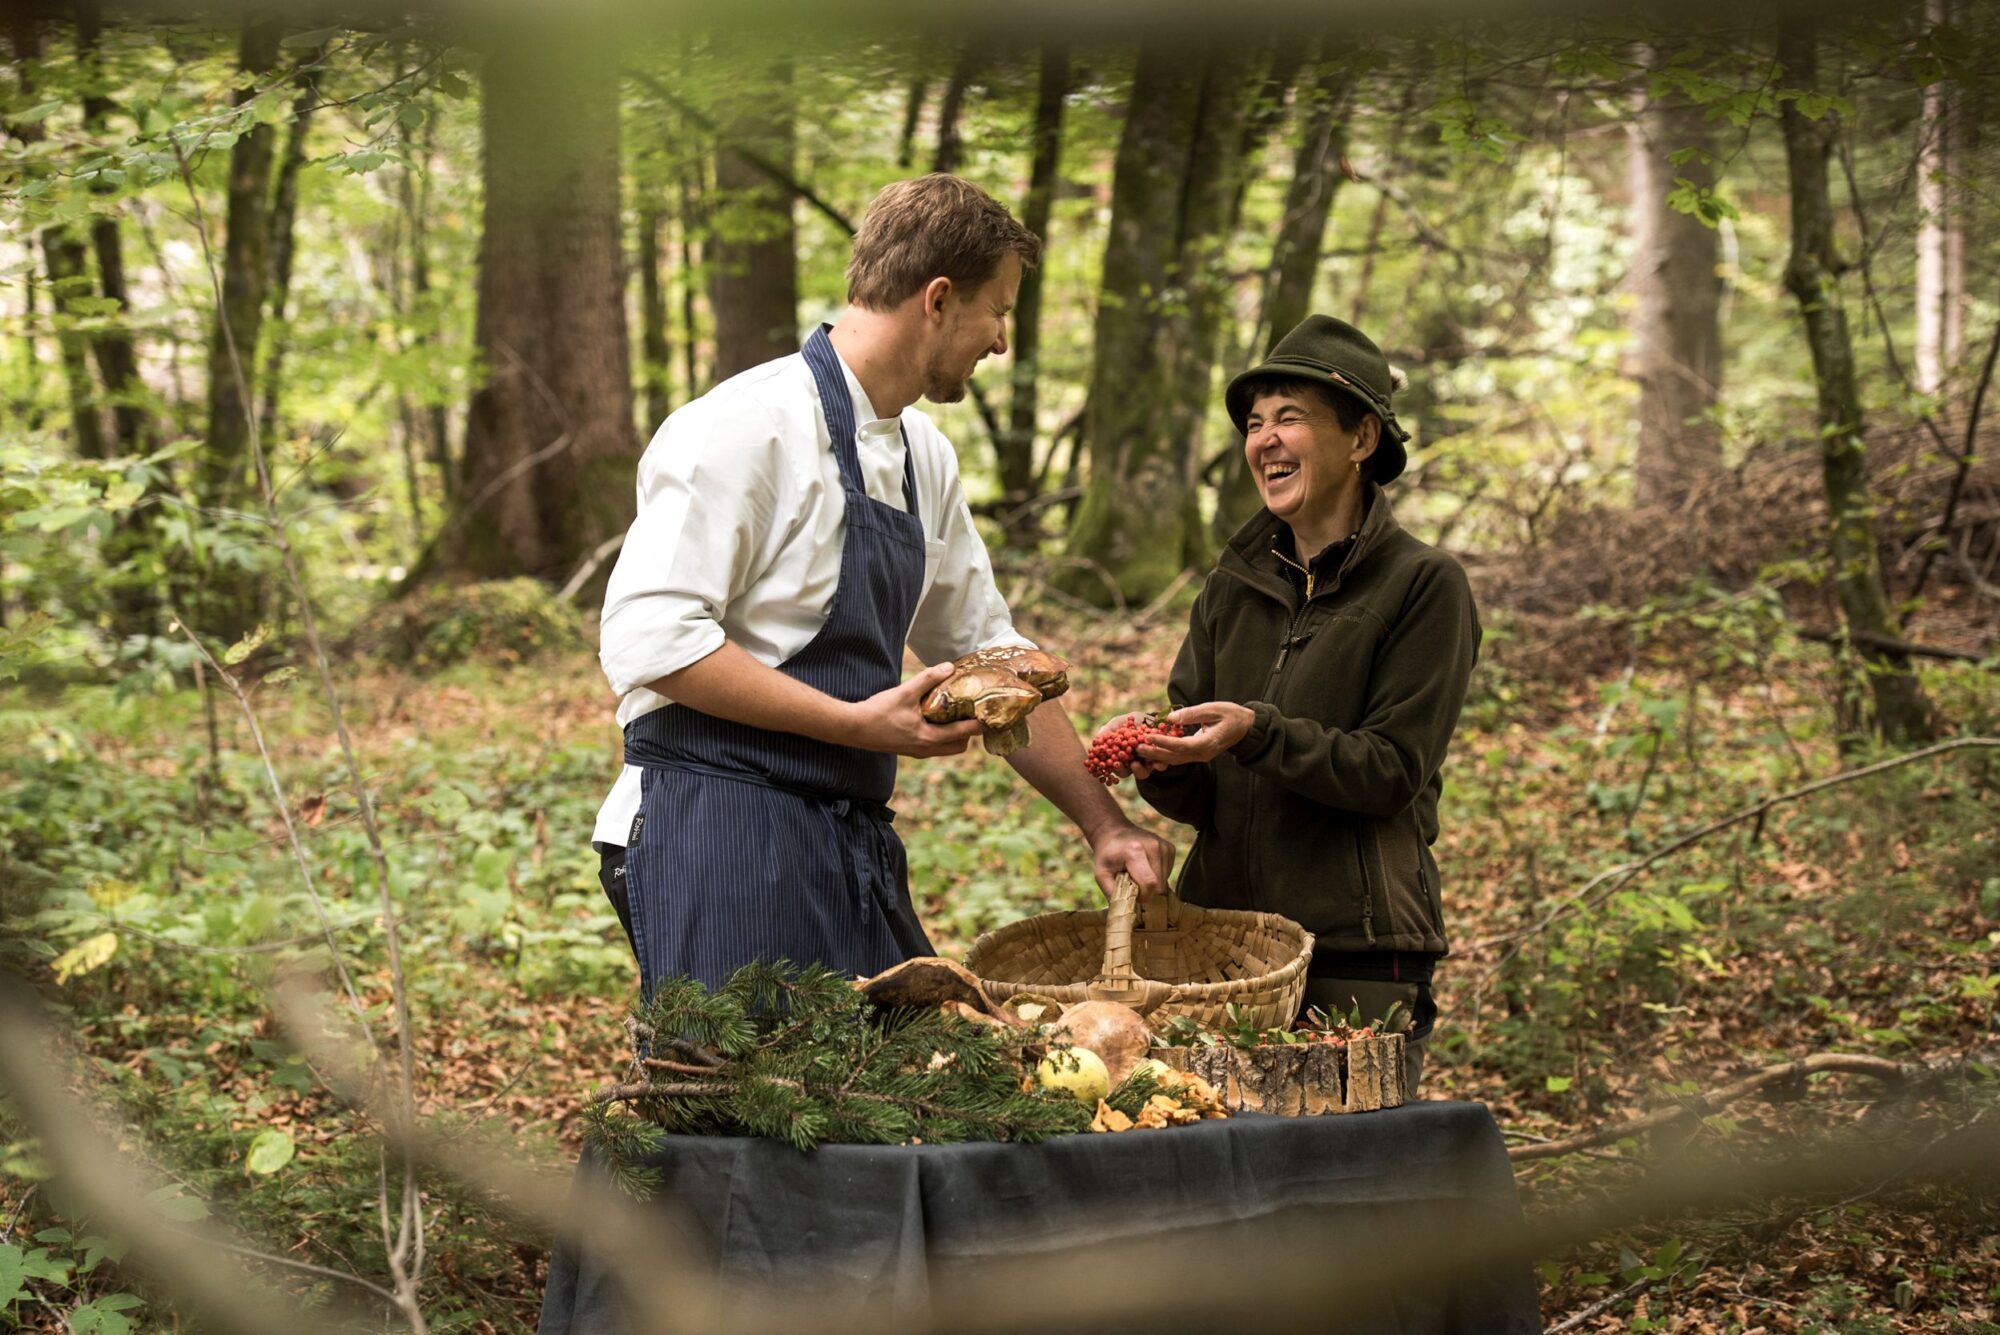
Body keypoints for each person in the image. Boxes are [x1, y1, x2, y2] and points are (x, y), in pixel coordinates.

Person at [591, 173, 1172, 996]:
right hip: (712, 827)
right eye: (998, 310)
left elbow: (986, 651)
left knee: (901, 1094)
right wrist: (854, 723)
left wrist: (1103, 822)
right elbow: (651, 640)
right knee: (737, 1113)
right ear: (938, 299)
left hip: (845, 840)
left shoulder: (922, 456)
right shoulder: (741, 427)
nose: (1002, 340)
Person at [1111, 315, 1481, 1093]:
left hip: (1357, 951)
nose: (1265, 439)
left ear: (1361, 438)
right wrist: (1162, 760)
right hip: (1225, 956)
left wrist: (1257, 731)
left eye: (1290, 417)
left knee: (1348, 1191)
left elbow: (1391, 769)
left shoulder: (1423, 585)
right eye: (1254, 422)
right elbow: (1204, 788)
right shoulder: (1231, 584)